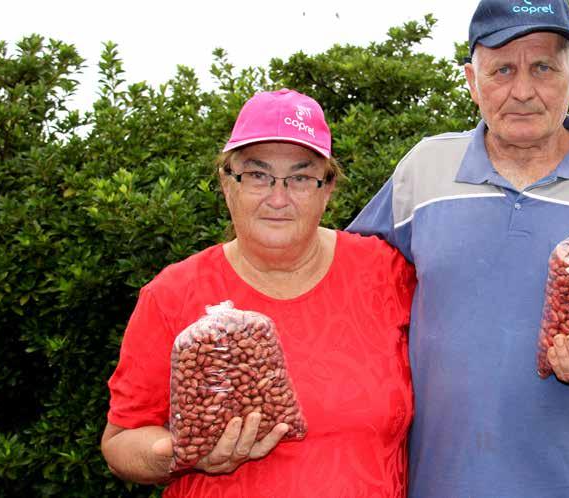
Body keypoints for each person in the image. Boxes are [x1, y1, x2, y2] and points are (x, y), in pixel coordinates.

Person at [348, 0, 569, 496]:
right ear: (472, 80)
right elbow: (345, 290)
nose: (523, 91)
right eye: (502, 69)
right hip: (444, 483)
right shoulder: (423, 169)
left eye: (543, 68)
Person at [101, 89, 417, 497]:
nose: (278, 198)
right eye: (257, 175)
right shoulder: (173, 292)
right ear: (226, 182)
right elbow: (121, 440)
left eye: (301, 177)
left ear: (328, 187)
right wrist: (177, 453)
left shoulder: (388, 272)